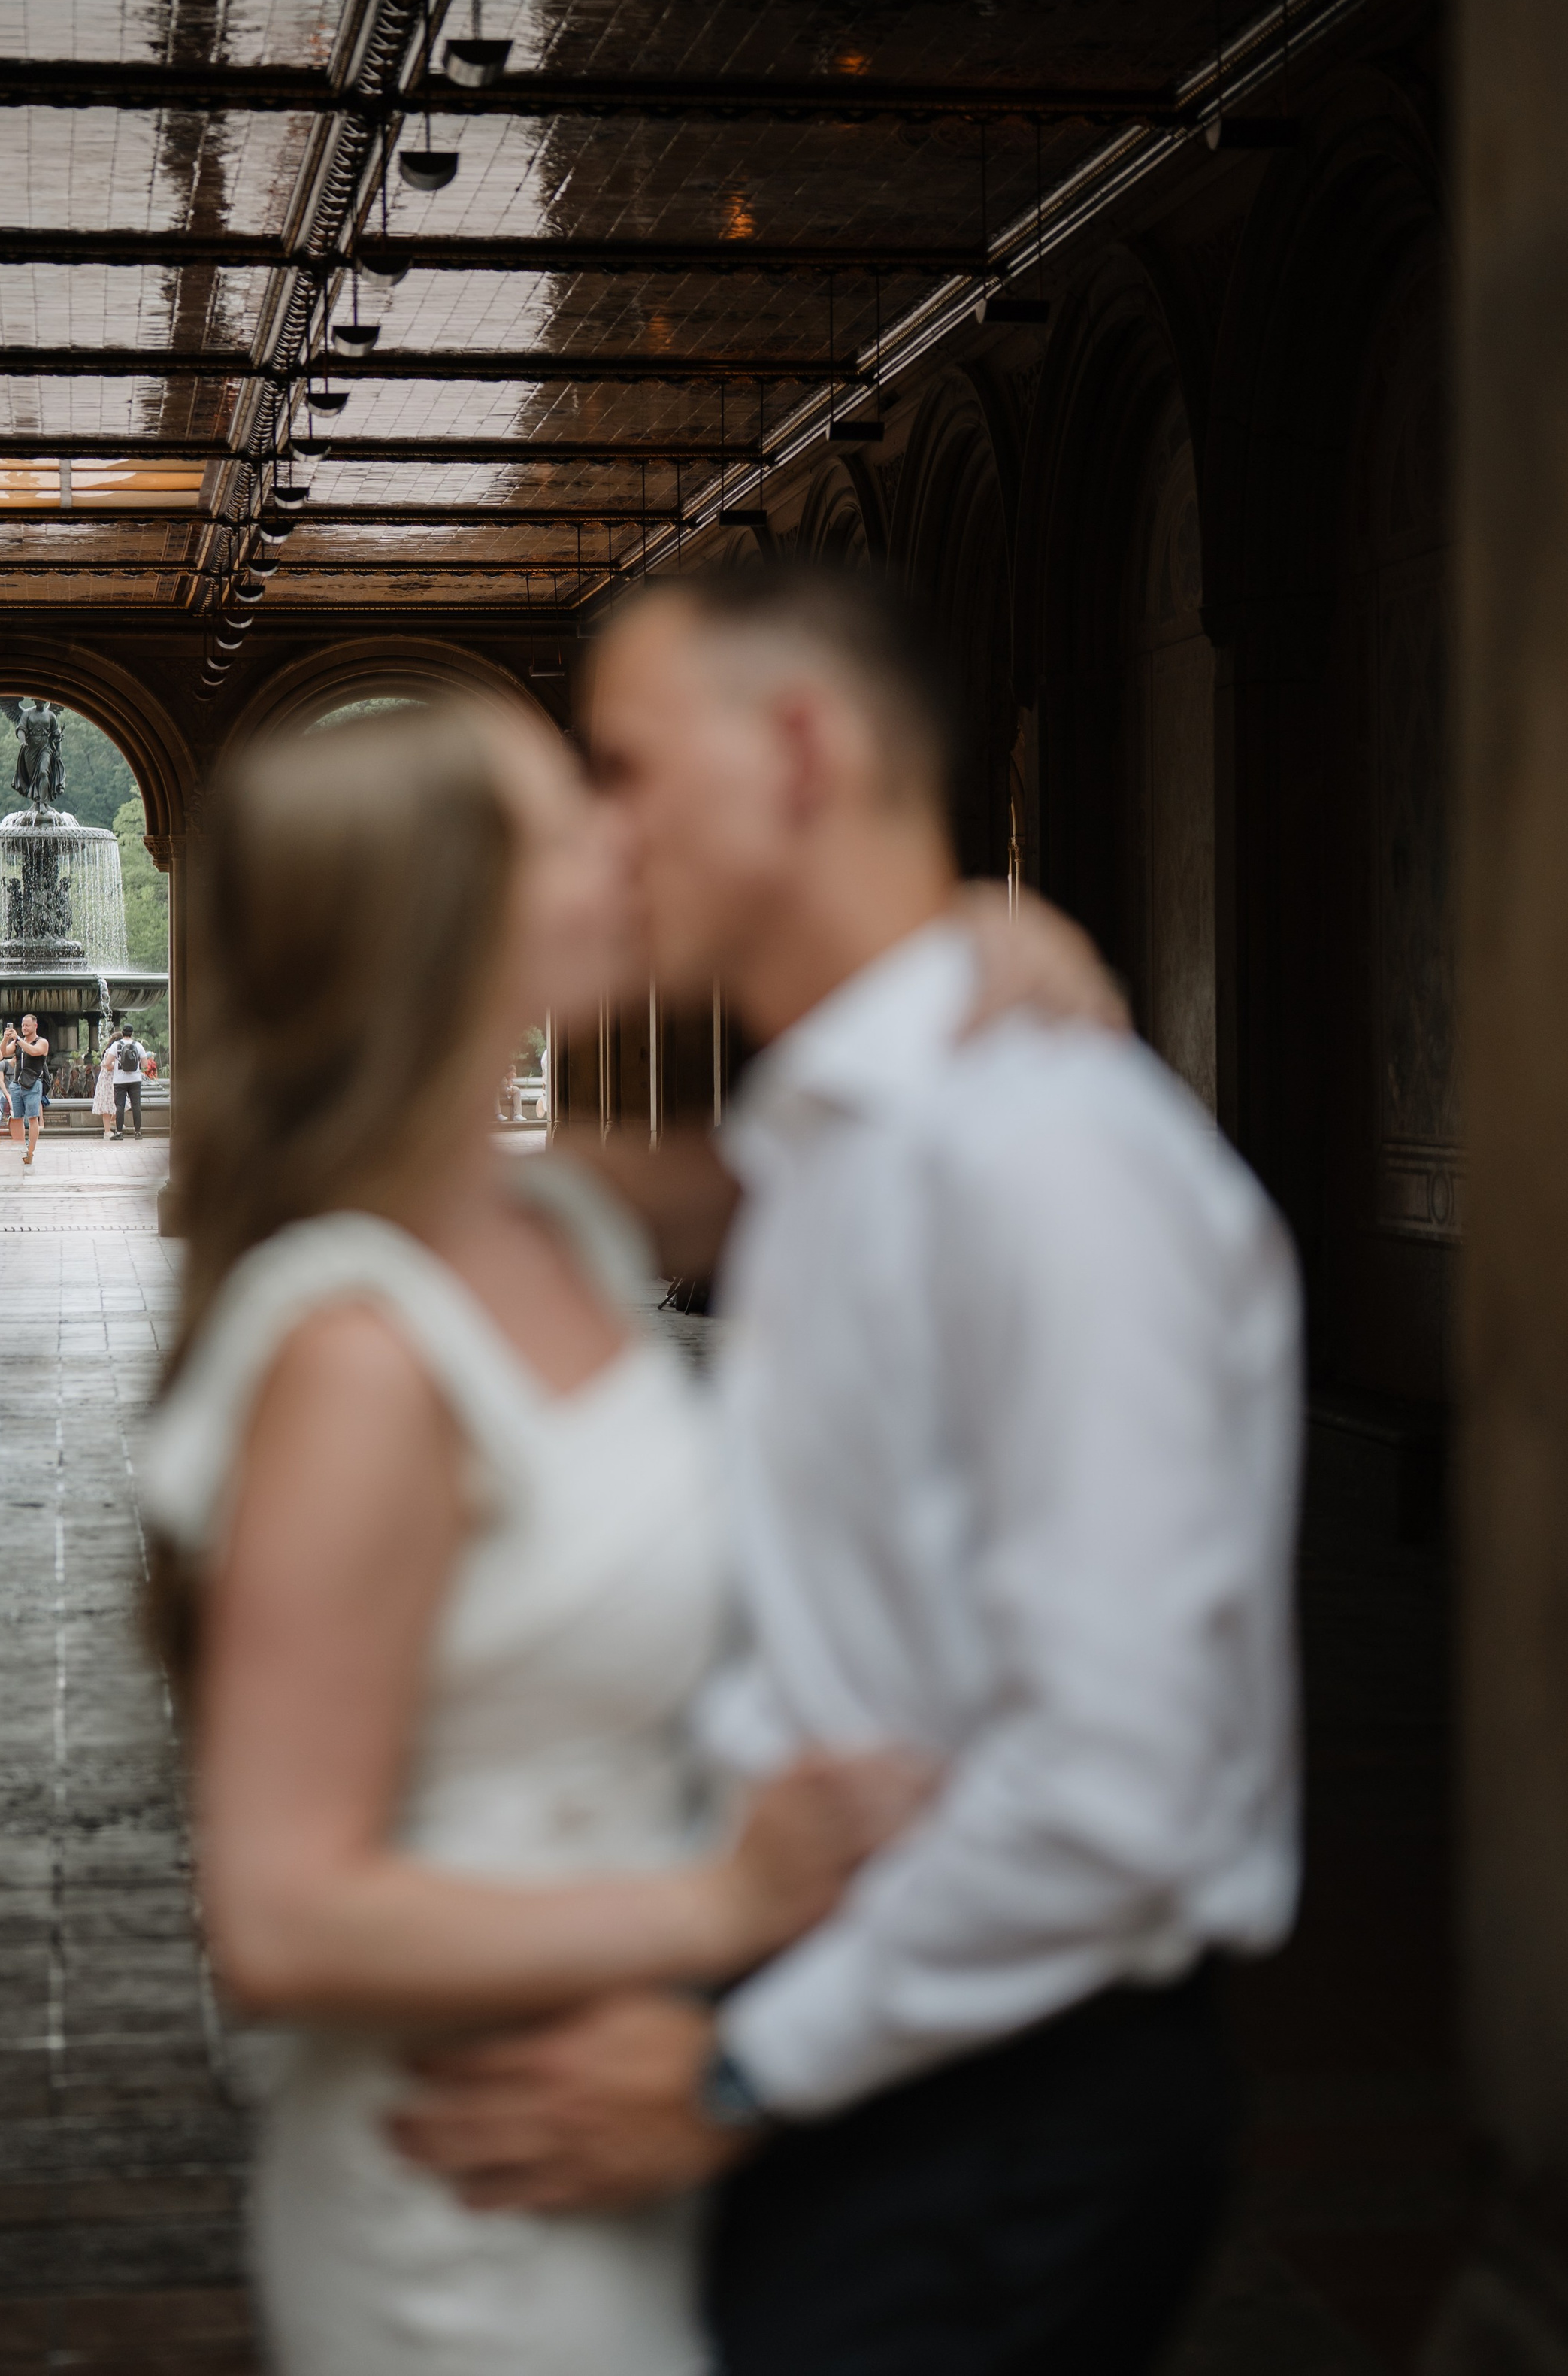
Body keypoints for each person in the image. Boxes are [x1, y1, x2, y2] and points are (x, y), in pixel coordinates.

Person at [136, 698, 1118, 2376]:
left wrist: (987, 945)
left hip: (627, 2134)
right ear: (450, 924)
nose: (624, 842)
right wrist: (724, 1905)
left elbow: (858, 1135)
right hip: (472, 2168)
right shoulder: (361, 1356)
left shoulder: (554, 1212)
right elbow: (279, 1919)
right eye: (566, 824)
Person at [392, 567, 1303, 2376]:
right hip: (846, 2025)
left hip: (988, 2088)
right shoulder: (827, 1142)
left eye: (627, 766)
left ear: (798, 751)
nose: (602, 830)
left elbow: (1116, 1782)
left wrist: (742, 2070)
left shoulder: (1042, 1156)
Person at [3, 1014, 50, 1166]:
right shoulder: (18, 1042)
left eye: (27, 1025)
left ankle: (30, 1152)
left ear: (35, 1026)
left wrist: (17, 1039)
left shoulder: (42, 1042)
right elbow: (3, 1053)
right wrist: (5, 1039)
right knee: (17, 1118)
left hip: (33, 1084)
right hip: (17, 1084)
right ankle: (22, 1147)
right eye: (23, 1025)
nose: (24, 1028)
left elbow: (34, 1051)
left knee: (32, 1117)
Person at [106, 1027, 144, 1135]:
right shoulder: (138, 1045)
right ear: (132, 1033)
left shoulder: (116, 1045)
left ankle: (119, 1132)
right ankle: (137, 1132)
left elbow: (107, 1063)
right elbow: (145, 1064)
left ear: (122, 1033)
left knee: (120, 1106)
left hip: (120, 1080)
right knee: (136, 1105)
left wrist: (115, 1065)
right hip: (135, 1080)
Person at [91, 1036, 119, 1140]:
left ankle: (113, 1120)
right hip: (107, 1081)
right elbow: (108, 1066)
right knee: (106, 1105)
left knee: (118, 1102)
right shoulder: (110, 1051)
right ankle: (107, 1131)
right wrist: (119, 1064)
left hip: (114, 1079)